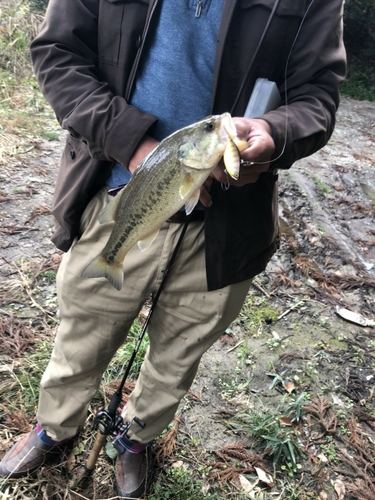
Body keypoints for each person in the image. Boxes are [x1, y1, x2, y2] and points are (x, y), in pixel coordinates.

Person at [0, 0, 346, 497]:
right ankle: (54, 427)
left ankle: (135, 439)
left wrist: (274, 132)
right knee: (82, 331)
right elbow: (58, 54)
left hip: (231, 224)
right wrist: (136, 147)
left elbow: (317, 94)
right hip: (119, 196)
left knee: (179, 353)